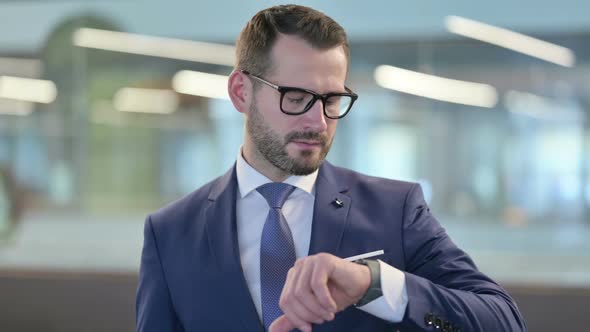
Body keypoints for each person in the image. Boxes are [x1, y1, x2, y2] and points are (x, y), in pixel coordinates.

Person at [136, 4, 527, 332]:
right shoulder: (170, 233)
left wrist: (373, 283)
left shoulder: (397, 210)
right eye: (296, 97)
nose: (318, 122)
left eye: (332, 99)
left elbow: (503, 321)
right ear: (241, 92)